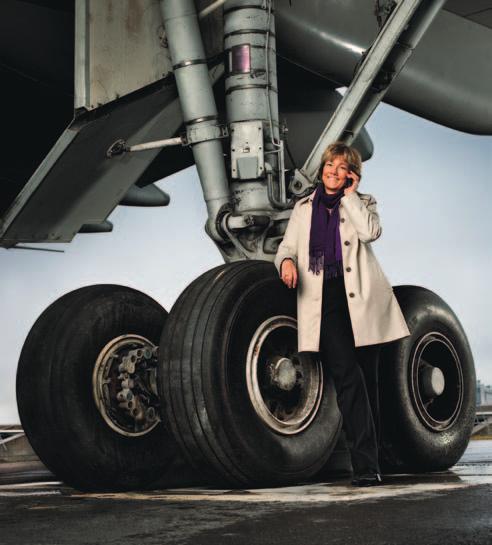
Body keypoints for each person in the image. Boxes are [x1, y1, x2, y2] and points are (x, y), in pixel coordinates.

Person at [274, 141, 410, 487]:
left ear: (352, 175)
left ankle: (376, 459)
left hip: (363, 299)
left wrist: (350, 196)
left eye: (340, 168)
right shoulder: (304, 208)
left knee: (368, 382)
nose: (332, 173)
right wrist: (287, 262)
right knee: (348, 378)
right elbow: (287, 246)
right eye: (329, 167)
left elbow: (371, 233)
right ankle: (365, 466)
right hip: (325, 298)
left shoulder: (363, 203)